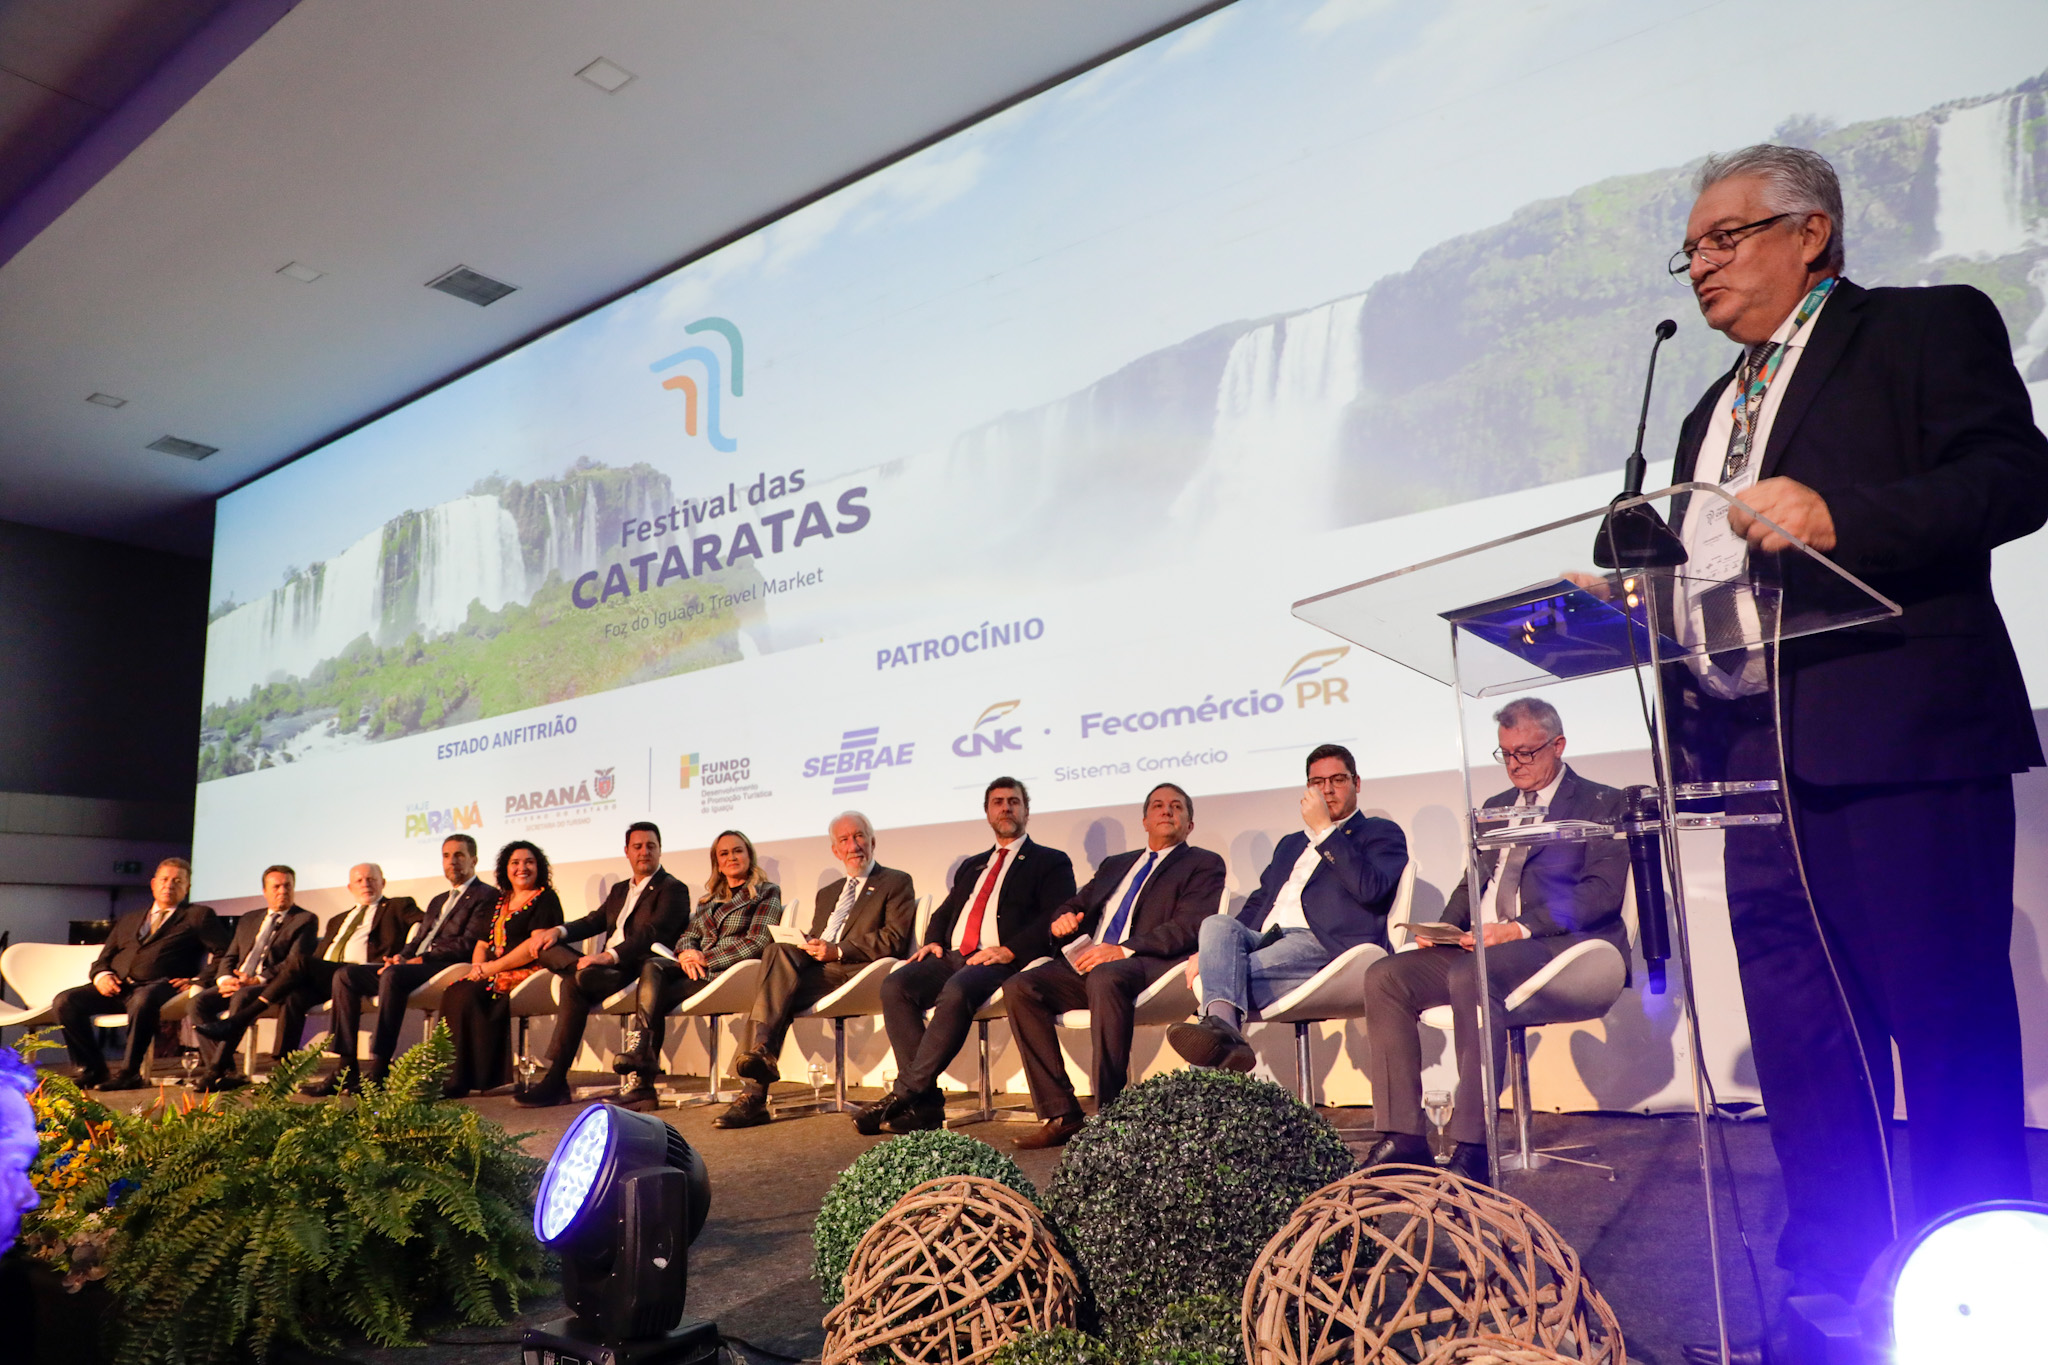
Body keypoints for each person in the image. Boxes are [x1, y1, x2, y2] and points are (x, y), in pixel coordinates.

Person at [1662, 145, 2048, 1363]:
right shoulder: (1701, 409)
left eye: (1724, 238)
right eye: (1691, 249)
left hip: (1899, 743)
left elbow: (2014, 475)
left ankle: (1977, 1299)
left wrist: (1845, 517)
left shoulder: (1923, 329)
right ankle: (1827, 1294)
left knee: (1943, 1030)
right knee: (1801, 1050)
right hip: (1751, 767)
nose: (1701, 266)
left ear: (1809, 233)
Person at [1359, 698, 1626, 1184]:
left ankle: (1474, 1143)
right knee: (1385, 977)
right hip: (1483, 946)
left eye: (1526, 753)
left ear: (1558, 745)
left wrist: (1519, 926)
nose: (1515, 765)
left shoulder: (1602, 802)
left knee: (1472, 973)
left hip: (1562, 947)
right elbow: (1472, 886)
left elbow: (1602, 895)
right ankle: (1405, 1137)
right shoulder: (1496, 808)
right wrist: (1437, 933)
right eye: (1506, 754)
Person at [1004, 783, 1225, 1149]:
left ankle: (1111, 1114)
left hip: (1147, 963)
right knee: (1020, 987)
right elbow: (1074, 903)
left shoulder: (1202, 863)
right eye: (1157, 805)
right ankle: (1062, 1113)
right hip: (1091, 962)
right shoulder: (1116, 864)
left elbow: (1189, 927)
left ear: (1190, 824)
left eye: (1176, 807)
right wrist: (1063, 919)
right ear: (1144, 820)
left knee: (1105, 977)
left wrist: (1122, 950)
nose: (1166, 811)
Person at [1167, 743, 1407, 1072]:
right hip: (1268, 937)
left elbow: (1372, 890)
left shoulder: (1380, 832)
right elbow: (1260, 901)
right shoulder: (1291, 843)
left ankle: (1205, 1082)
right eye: (1317, 782)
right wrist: (1210, 951)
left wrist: (1325, 831)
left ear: (1357, 783)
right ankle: (1226, 1036)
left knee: (1219, 982)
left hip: (1323, 942)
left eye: (1337, 779)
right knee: (1216, 924)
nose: (1326, 790)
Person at [857, 778, 1076, 1135]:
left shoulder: (1049, 861)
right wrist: (930, 940)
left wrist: (1011, 950)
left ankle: (905, 1093)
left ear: (1026, 811)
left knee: (957, 991)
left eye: (1014, 801)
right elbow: (946, 911)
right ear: (988, 812)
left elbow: (1054, 916)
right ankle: (925, 1105)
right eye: (998, 802)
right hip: (954, 955)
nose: (1006, 807)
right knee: (896, 985)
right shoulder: (973, 865)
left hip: (1000, 960)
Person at [716, 811, 915, 1129]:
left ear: (873, 841)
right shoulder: (828, 892)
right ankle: (761, 1055)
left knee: (772, 990)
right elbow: (821, 938)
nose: (854, 845)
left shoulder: (895, 881)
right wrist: (809, 944)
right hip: (822, 970)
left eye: (859, 836)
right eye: (844, 840)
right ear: (836, 850)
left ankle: (755, 1089)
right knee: (777, 951)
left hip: (859, 972)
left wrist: (837, 950)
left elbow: (894, 939)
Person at [514, 822, 691, 1108]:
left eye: (650, 846)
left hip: (637, 968)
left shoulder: (673, 889)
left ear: (660, 850)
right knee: (544, 947)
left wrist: (608, 957)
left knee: (575, 984)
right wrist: (557, 932)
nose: (644, 852)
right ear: (627, 852)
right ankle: (577, 970)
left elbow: (653, 934)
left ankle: (556, 1080)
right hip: (601, 971)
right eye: (638, 846)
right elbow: (593, 921)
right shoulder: (620, 889)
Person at [608, 829, 784, 1112]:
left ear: (749, 855)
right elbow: (687, 936)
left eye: (737, 851)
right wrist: (688, 953)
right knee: (653, 967)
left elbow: (758, 941)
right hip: (698, 971)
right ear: (717, 862)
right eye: (723, 853)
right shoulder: (709, 899)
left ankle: (642, 1077)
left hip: (729, 974)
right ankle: (642, 1064)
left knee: (656, 992)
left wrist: (705, 958)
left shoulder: (766, 892)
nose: (731, 857)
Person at [306, 834, 496, 1095]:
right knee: (345, 974)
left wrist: (421, 959)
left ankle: (381, 1066)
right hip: (415, 965)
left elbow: (470, 942)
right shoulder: (438, 900)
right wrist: (400, 956)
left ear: (474, 860)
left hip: (447, 965)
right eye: (446, 856)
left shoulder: (487, 896)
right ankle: (345, 1068)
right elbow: (419, 938)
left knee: (393, 976)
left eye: (459, 855)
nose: (452, 862)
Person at [54, 857, 224, 1090]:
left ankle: (129, 1073)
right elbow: (103, 959)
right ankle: (93, 1069)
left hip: (164, 987)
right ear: (153, 884)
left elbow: (226, 952)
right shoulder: (129, 918)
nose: (169, 885)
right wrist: (102, 975)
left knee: (142, 1000)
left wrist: (200, 980)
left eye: (177, 881)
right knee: (66, 1001)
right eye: (164, 880)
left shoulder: (198, 915)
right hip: (121, 987)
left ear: (187, 887)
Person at [438, 840, 564, 1099]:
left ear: (538, 866)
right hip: (493, 970)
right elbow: (483, 943)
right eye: (515, 863)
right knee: (455, 990)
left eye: (529, 862)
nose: (522, 868)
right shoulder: (499, 901)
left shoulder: (545, 898)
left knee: (472, 993)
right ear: (505, 869)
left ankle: (487, 1078)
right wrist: (477, 967)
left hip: (531, 971)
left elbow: (535, 945)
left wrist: (492, 968)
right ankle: (455, 1077)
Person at [188, 865, 320, 1091]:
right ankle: (227, 1070)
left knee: (243, 996)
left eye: (287, 886)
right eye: (276, 886)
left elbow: (293, 962)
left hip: (270, 987)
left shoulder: (305, 919)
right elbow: (230, 956)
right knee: (197, 1003)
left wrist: (256, 980)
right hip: (237, 982)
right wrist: (224, 979)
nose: (282, 891)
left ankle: (213, 1071)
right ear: (264, 891)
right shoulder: (249, 919)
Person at [270, 862, 421, 1057]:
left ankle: (251, 1009)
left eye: (371, 879)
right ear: (350, 887)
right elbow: (319, 957)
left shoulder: (399, 906)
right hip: (328, 978)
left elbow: (426, 926)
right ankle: (283, 1067)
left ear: (382, 882)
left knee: (302, 962)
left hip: (364, 974)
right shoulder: (337, 919)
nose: (365, 884)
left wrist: (405, 956)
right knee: (294, 997)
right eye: (359, 880)